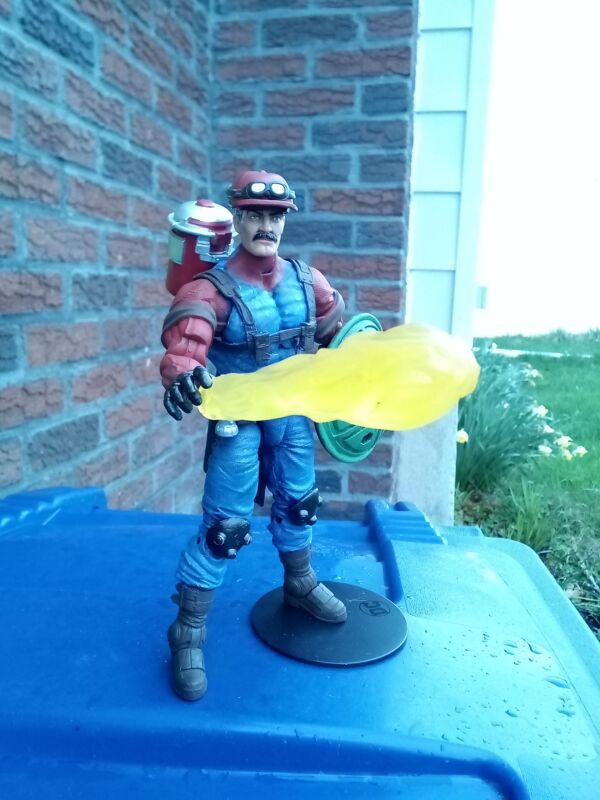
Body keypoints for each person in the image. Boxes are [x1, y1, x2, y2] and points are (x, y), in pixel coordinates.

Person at [160, 170, 347, 701]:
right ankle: (188, 630)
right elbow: (184, 349)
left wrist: (369, 376)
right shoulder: (210, 289)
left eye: (276, 215)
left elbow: (345, 340)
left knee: (300, 504)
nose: (267, 225)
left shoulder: (309, 282)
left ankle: (300, 583)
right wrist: (184, 375)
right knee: (226, 527)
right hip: (238, 420)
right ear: (237, 219)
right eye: (256, 214)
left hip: (291, 414)